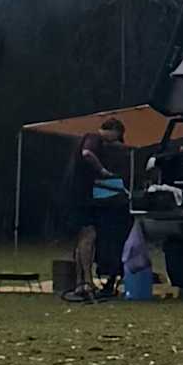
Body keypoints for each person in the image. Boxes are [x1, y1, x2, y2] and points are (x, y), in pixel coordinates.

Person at [62, 122, 128, 305]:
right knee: (88, 236)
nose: (114, 142)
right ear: (113, 131)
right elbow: (87, 154)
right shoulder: (93, 138)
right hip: (80, 197)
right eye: (116, 137)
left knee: (83, 237)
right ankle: (85, 282)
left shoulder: (90, 139)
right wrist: (102, 170)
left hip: (78, 195)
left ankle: (81, 283)